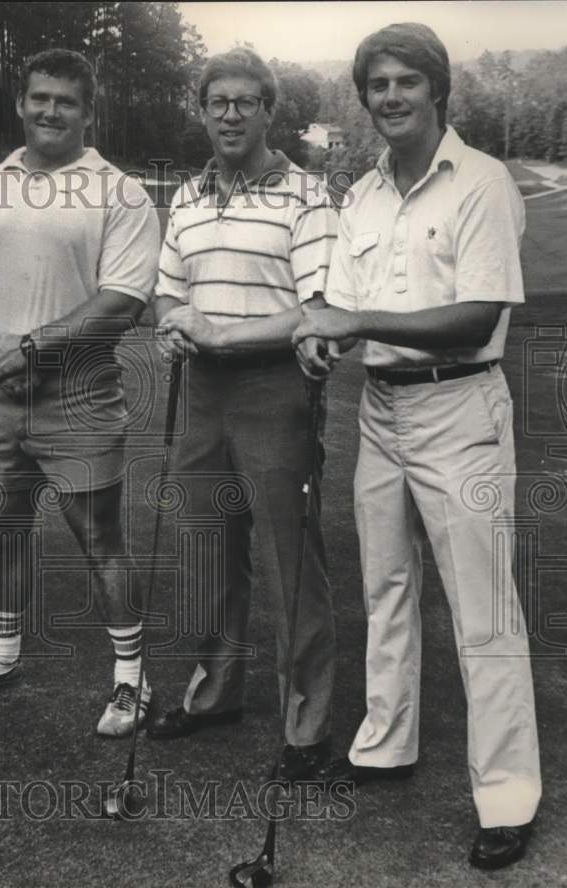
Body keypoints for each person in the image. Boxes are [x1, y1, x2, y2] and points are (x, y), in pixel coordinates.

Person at [293, 22, 541, 870]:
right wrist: (321, 339)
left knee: (483, 608)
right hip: (381, 412)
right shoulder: (361, 194)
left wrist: (352, 321)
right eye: (378, 84)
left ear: (438, 90)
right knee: (385, 587)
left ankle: (507, 794)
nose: (390, 96)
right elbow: (341, 304)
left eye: (407, 82)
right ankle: (384, 744)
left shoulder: (482, 181)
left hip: (461, 410)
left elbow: (477, 316)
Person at [0, 49, 161, 737]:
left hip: (79, 394)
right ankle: (1, 654)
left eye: (65, 100)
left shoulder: (120, 191)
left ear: (89, 112)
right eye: (39, 98)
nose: (50, 110)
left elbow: (122, 299)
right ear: (21, 104)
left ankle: (131, 680)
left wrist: (30, 346)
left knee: (100, 538)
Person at [145, 49, 337, 782]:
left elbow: (316, 308)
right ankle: (216, 692)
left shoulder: (307, 194)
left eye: (244, 102)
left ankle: (306, 721)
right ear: (201, 109)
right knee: (205, 552)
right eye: (216, 101)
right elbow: (167, 290)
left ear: (267, 111)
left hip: (274, 390)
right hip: (201, 394)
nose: (229, 113)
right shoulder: (188, 197)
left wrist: (221, 333)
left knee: (291, 561)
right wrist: (171, 322)